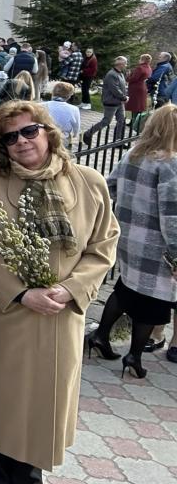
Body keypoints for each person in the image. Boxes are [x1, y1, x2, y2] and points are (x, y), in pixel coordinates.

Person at [0, 100, 118, 482]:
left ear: (48, 132)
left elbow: (103, 245)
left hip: (59, 320)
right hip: (5, 317)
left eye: (30, 131)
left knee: (40, 421)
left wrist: (70, 289)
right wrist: (20, 292)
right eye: (10, 137)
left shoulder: (88, 183)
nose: (22, 142)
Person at [87, 104, 177, 378]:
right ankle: (134, 355)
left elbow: (109, 186)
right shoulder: (171, 164)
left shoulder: (133, 155)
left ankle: (101, 336)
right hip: (156, 244)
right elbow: (171, 214)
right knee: (155, 300)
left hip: (127, 236)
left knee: (126, 287)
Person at [83, 56, 129, 146]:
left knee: (121, 120)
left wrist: (124, 97)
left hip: (119, 102)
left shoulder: (120, 74)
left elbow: (122, 87)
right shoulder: (112, 74)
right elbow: (114, 89)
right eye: (125, 63)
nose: (126, 65)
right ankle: (88, 134)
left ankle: (118, 141)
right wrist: (124, 97)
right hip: (111, 102)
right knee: (106, 121)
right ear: (120, 64)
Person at [43, 81, 80, 147]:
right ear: (68, 96)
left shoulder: (41, 105)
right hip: (62, 138)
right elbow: (76, 126)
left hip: (44, 136)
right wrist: (75, 135)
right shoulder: (74, 109)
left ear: (53, 92)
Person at [126, 53, 153, 117]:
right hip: (143, 87)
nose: (139, 60)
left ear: (143, 60)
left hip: (135, 88)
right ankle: (137, 119)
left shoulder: (140, 68)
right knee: (139, 106)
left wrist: (128, 76)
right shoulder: (149, 68)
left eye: (140, 59)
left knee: (130, 105)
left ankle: (128, 120)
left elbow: (134, 78)